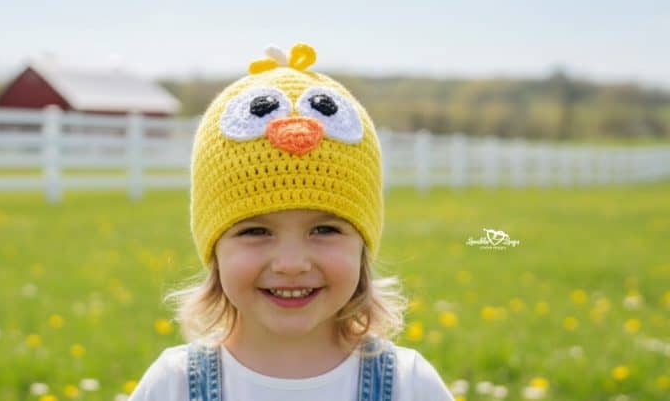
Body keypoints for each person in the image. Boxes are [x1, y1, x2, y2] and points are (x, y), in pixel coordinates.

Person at [129, 43, 454, 401]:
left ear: (363, 243)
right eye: (256, 231)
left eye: (324, 230)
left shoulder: (409, 385)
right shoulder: (173, 385)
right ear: (213, 247)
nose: (291, 264)